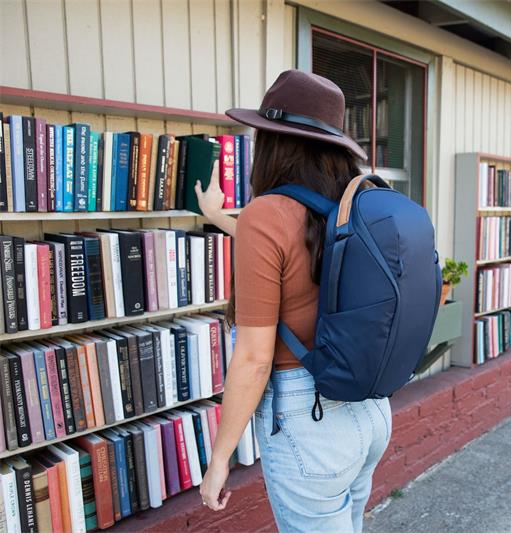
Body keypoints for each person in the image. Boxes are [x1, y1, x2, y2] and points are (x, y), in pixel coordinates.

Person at [197, 70, 392, 532]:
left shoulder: (267, 214)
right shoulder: (354, 204)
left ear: (274, 143)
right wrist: (219, 217)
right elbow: (287, 250)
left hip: (311, 424)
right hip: (369, 412)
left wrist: (220, 459)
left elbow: (254, 359)